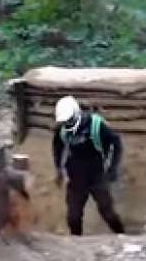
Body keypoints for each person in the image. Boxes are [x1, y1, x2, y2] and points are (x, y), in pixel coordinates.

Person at [52, 96, 126, 236]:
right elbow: (57, 147)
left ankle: (121, 236)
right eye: (64, 121)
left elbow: (116, 143)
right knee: (73, 217)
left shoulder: (96, 125)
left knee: (108, 212)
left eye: (69, 120)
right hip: (75, 176)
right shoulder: (61, 129)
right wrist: (58, 170)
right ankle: (77, 242)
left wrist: (113, 168)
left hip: (97, 175)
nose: (67, 123)